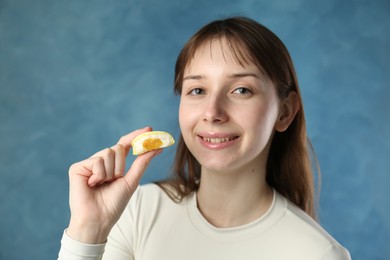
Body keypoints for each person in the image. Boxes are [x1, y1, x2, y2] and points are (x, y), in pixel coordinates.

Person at [58, 16, 351, 259]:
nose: (212, 112)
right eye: (197, 90)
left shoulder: (318, 253)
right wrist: (89, 230)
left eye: (241, 90)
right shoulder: (136, 212)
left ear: (285, 112)